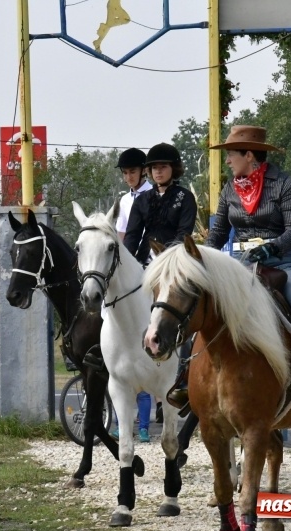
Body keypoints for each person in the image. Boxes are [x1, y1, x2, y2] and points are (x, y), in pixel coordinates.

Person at [204, 125, 291, 413]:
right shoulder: (230, 189)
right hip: (240, 266)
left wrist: (271, 248)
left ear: (248, 155)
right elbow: (217, 234)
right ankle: (185, 379)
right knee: (200, 308)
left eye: (231, 154)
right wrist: (200, 256)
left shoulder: (283, 183)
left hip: (282, 263)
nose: (228, 161)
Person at [122, 143, 197, 412]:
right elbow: (131, 236)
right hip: (145, 262)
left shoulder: (185, 197)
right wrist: (127, 263)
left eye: (162, 167)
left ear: (172, 169)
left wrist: (163, 259)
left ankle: (186, 371)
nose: (158, 172)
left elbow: (184, 232)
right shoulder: (141, 200)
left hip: (174, 262)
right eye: (154, 168)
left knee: (185, 308)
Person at [111, 148, 156, 442]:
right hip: (131, 264)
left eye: (133, 172)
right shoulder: (124, 200)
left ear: (143, 171)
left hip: (152, 261)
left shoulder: (152, 195)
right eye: (125, 173)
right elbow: (120, 237)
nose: (129, 177)